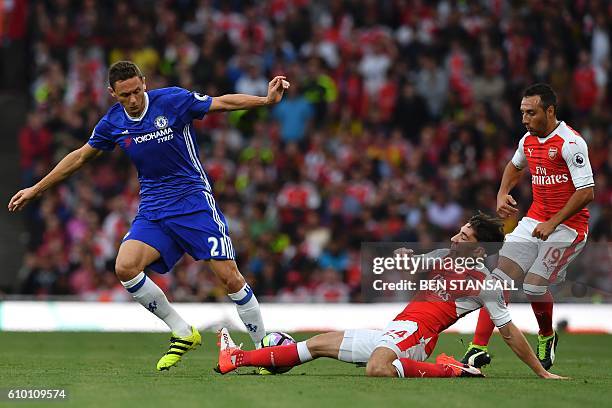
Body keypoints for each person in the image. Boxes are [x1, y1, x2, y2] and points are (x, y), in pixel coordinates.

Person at [8, 61, 290, 371]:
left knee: (228, 277)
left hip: (193, 202)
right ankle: (183, 331)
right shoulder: (113, 123)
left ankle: (263, 349)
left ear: (145, 82)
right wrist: (36, 189)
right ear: (112, 94)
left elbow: (220, 102)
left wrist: (265, 101)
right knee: (125, 267)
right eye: (125, 94)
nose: (133, 99)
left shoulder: (171, 100)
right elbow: (79, 157)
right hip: (154, 208)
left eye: (137, 90)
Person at [216, 212, 564, 379]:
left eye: (464, 236)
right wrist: (402, 257)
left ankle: (451, 371)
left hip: (416, 338)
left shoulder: (486, 283)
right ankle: (237, 359)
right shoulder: (445, 256)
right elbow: (413, 263)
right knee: (318, 344)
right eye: (459, 231)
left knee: (376, 369)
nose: (456, 238)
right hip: (396, 330)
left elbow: (509, 331)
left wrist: (542, 373)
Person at [462, 83, 594, 369]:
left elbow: (586, 192)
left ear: (549, 111)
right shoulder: (528, 140)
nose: (524, 119)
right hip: (535, 219)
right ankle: (476, 349)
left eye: (531, 113)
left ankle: (546, 336)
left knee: (534, 288)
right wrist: (501, 194)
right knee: (496, 281)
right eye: (522, 113)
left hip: (568, 227)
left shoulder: (571, 143)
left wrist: (552, 222)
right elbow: (514, 166)